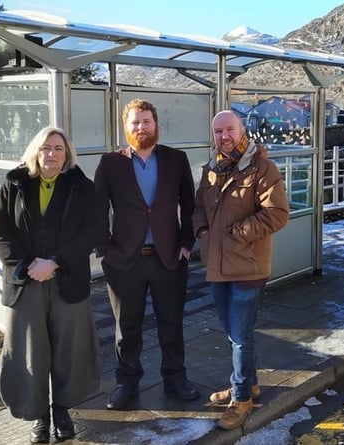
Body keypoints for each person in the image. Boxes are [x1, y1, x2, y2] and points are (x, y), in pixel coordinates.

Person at [0, 127, 101, 443]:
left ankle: (63, 410)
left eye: (59, 148)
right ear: (35, 151)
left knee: (70, 350)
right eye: (46, 148)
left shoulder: (82, 186)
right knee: (29, 352)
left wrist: (55, 262)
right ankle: (38, 415)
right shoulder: (14, 183)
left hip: (67, 279)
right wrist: (26, 265)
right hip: (25, 282)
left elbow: (92, 230)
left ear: (67, 154)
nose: (52, 153)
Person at [94, 98, 199, 410]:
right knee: (127, 328)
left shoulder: (176, 160)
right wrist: (105, 248)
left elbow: (190, 204)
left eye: (146, 121)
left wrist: (186, 242)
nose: (141, 127)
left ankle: (175, 378)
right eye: (135, 122)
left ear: (156, 125)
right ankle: (126, 383)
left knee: (172, 324)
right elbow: (98, 208)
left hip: (168, 258)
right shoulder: (110, 163)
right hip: (125, 261)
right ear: (126, 127)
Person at [193, 110, 289, 430]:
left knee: (239, 336)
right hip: (218, 265)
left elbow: (277, 213)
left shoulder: (262, 167)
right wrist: (203, 235)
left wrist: (239, 233)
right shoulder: (210, 169)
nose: (224, 136)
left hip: (248, 266)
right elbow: (197, 210)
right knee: (233, 331)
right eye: (218, 131)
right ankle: (248, 382)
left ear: (242, 130)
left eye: (230, 129)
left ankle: (242, 397)